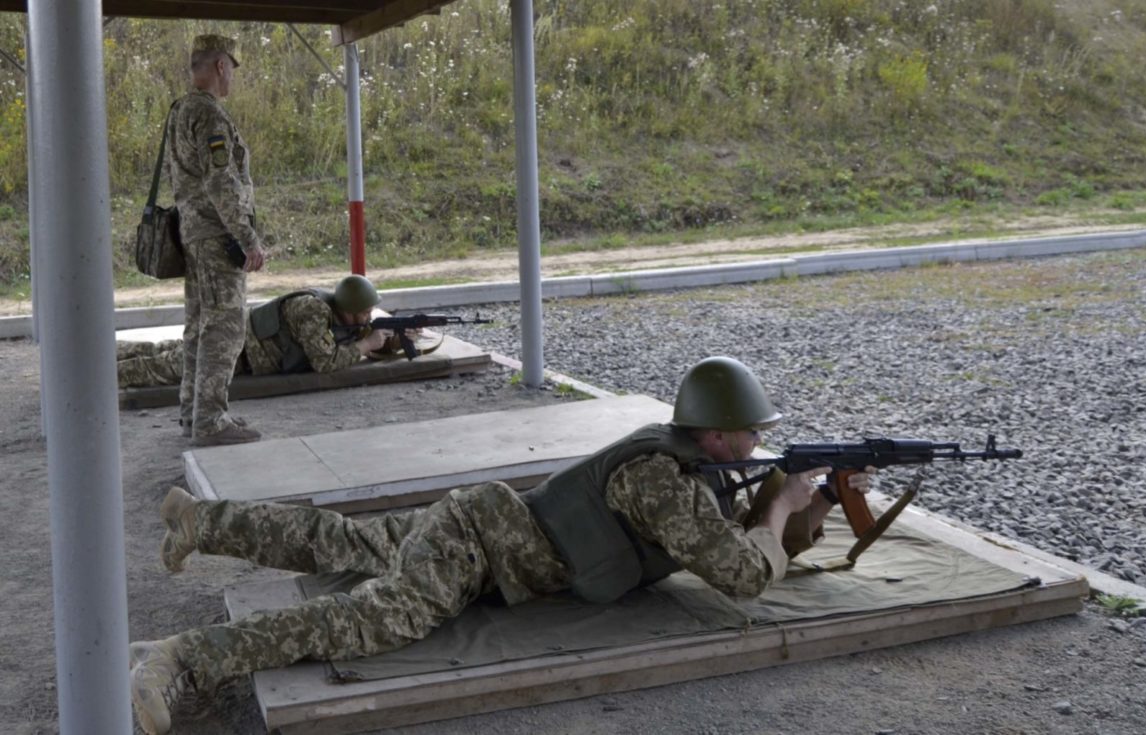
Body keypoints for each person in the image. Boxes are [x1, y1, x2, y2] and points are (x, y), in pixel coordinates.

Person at [128, 356, 873, 734]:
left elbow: (731, 540)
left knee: (345, 539)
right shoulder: (662, 480)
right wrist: (782, 504)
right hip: (480, 542)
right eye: (751, 432)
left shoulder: (683, 462)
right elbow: (742, 572)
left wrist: (813, 501)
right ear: (717, 434)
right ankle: (185, 656)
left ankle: (205, 520)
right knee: (369, 620)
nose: (756, 441)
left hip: (487, 528)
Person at [169, 34, 268, 446]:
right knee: (224, 327)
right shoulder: (209, 115)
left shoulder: (180, 109)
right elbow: (221, 182)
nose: (232, 79)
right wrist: (248, 239)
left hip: (194, 233)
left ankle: (194, 412)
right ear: (221, 66)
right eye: (232, 68)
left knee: (198, 325)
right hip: (216, 236)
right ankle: (210, 421)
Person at [116, 275, 397, 390]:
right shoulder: (314, 312)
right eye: (363, 312)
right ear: (347, 308)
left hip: (234, 337)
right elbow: (325, 362)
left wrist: (392, 335)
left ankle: (107, 353)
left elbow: (349, 334)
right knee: (160, 369)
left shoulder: (335, 311)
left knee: (161, 352)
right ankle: (98, 376)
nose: (367, 318)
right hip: (234, 350)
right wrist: (365, 346)